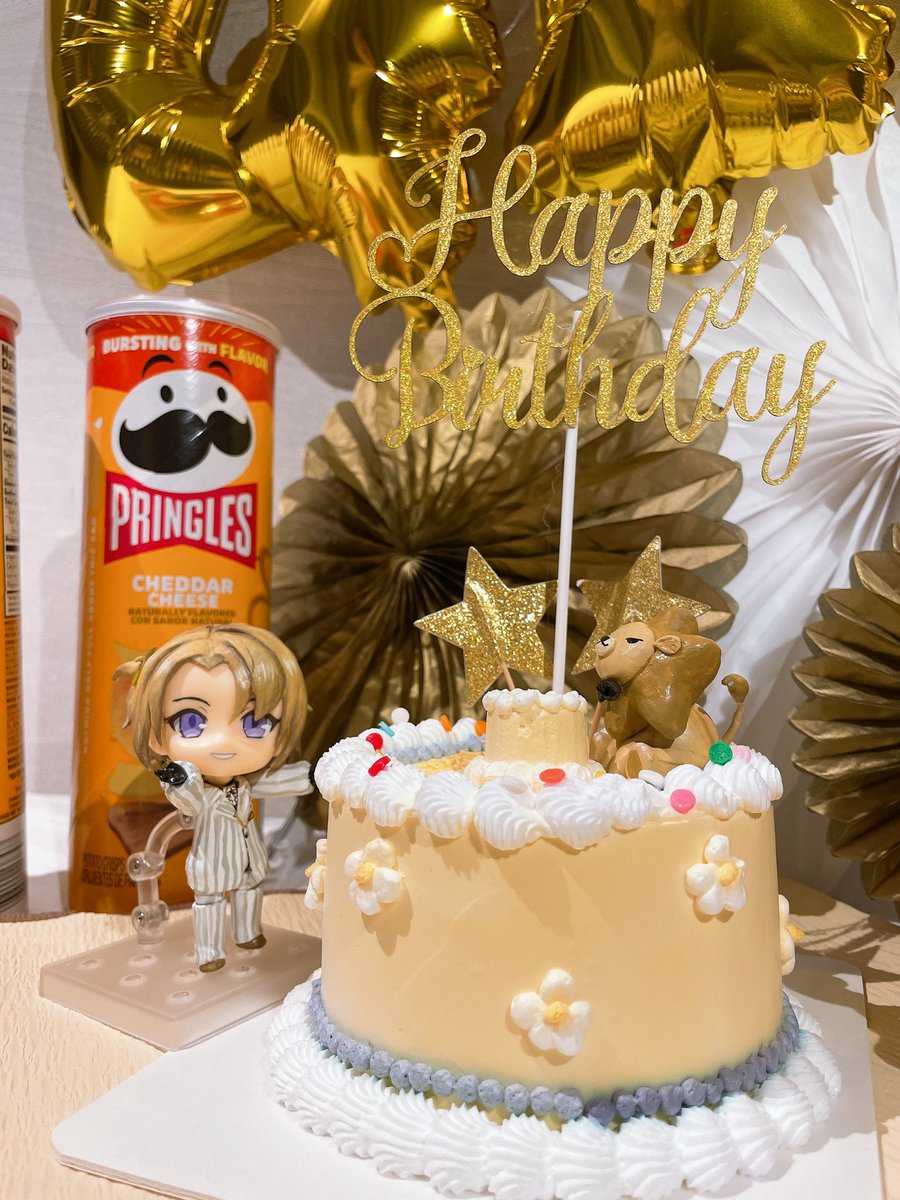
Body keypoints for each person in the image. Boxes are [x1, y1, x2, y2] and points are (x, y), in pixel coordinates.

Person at [119, 624, 308, 970]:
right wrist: (178, 780)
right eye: (190, 722)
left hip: (248, 856)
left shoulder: (246, 784)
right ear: (157, 736)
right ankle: (209, 952)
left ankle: (248, 933)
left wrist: (315, 775)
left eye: (256, 723)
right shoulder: (199, 789)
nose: (224, 742)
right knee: (209, 901)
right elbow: (188, 799)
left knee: (250, 890)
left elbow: (281, 782)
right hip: (212, 860)